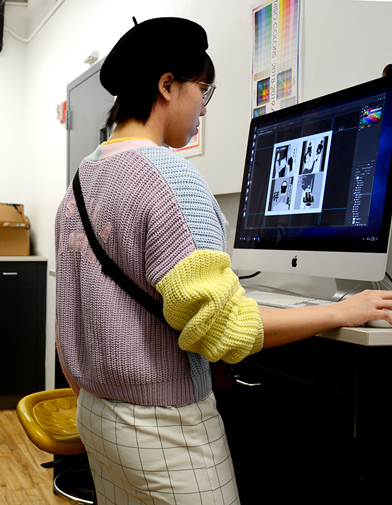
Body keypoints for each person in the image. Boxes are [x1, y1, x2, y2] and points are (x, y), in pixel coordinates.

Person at [55, 17, 392, 505]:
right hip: (164, 432)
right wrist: (344, 311)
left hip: (97, 419)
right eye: (204, 90)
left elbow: (69, 325)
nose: (204, 110)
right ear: (167, 85)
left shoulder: (80, 183)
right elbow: (224, 330)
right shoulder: (173, 180)